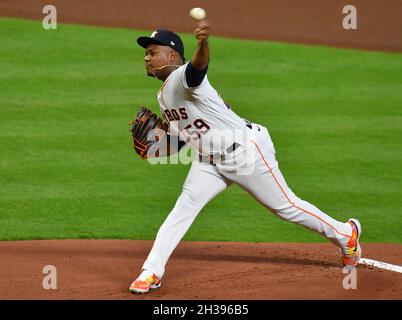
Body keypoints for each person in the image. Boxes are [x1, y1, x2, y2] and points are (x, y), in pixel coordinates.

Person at [129, 21, 362, 294]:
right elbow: (183, 139)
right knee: (184, 208)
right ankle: (151, 272)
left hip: (246, 153)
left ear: (172, 55)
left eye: (152, 51)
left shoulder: (182, 77)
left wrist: (203, 45)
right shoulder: (165, 93)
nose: (146, 57)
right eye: (145, 53)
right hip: (209, 160)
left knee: (286, 207)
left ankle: (347, 235)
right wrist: (159, 148)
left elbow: (197, 68)